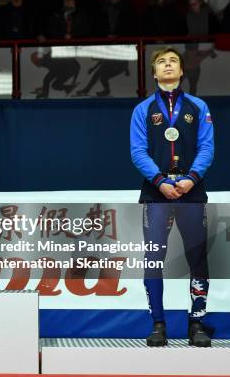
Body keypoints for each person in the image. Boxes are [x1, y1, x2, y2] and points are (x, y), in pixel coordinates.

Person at [130, 46, 214, 347]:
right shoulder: (142, 110)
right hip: (156, 194)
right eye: (161, 62)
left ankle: (197, 322)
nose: (167, 65)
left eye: (173, 61)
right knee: (153, 259)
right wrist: (160, 181)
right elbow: (138, 151)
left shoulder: (198, 107)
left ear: (181, 71)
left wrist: (190, 179)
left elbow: (207, 147)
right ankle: (158, 324)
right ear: (154, 73)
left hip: (191, 193)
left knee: (198, 260)